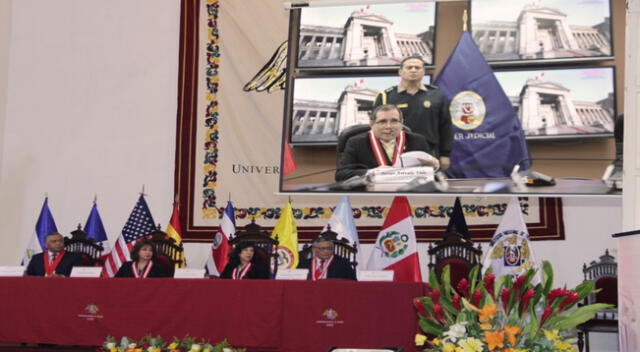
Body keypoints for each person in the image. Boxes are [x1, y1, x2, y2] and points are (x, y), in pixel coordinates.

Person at [373, 55, 453, 170]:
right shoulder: (386, 96)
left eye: (417, 67)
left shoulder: (437, 95)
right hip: (395, 151)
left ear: (424, 71)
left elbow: (445, 126)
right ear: (400, 71)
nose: (413, 70)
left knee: (426, 186)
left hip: (428, 151)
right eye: (409, 67)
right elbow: (375, 126)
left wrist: (445, 154)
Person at [335, 104, 434, 181]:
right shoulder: (356, 143)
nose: (388, 126)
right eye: (382, 121)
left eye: (394, 121)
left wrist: (433, 166)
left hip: (409, 195)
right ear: (372, 124)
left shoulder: (417, 141)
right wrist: (372, 172)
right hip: (371, 196)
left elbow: (434, 172)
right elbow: (341, 174)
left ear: (402, 123)